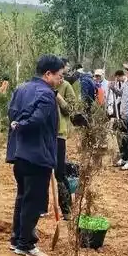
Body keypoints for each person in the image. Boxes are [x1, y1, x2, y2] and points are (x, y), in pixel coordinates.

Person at [7, 55, 62, 256]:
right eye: (59, 76)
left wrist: (17, 125)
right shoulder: (47, 94)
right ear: (47, 74)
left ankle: (16, 238)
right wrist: (22, 125)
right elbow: (37, 120)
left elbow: (11, 113)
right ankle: (26, 243)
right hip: (37, 156)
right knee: (33, 200)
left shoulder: (21, 89)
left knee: (22, 197)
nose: (60, 80)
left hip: (19, 155)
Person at [54, 58, 79, 218]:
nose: (61, 77)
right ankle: (41, 208)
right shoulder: (43, 86)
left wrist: (58, 97)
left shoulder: (66, 86)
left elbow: (72, 110)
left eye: (63, 74)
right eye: (59, 73)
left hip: (59, 135)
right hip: (43, 135)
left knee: (60, 173)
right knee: (42, 173)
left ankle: (67, 210)